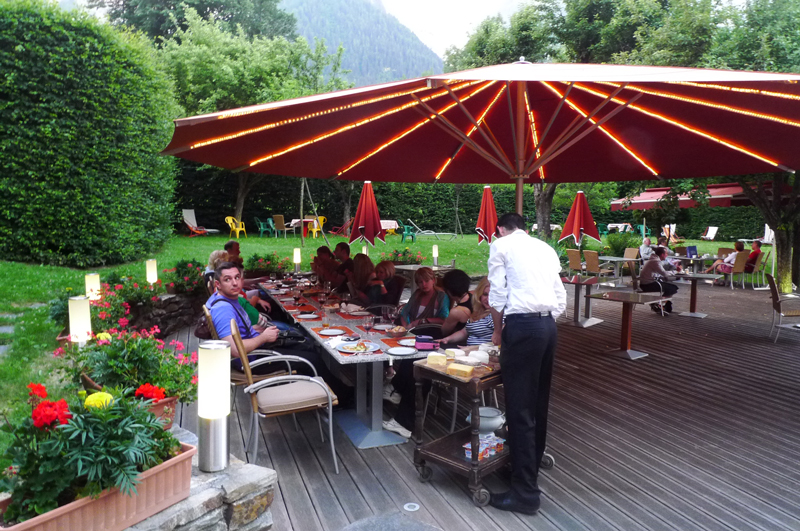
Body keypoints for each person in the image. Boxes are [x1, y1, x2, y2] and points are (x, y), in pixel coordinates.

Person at [487, 212, 566, 515]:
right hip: (548, 327)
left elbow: (497, 295)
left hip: (522, 327)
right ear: (524, 228)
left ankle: (525, 494)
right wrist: (543, 323)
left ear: (501, 229)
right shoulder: (544, 248)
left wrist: (498, 331)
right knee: (537, 404)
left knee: (519, 409)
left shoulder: (501, 245)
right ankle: (528, 469)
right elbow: (559, 296)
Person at [207, 262, 351, 401]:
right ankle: (343, 398)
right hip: (253, 361)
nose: (234, 283)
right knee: (312, 360)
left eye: (237, 277)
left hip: (256, 352)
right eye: (227, 279)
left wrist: (253, 330)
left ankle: (325, 392)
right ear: (218, 284)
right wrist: (263, 337)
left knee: (306, 346)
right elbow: (234, 350)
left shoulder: (227, 299)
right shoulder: (223, 309)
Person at [439, 277, 494, 346]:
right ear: (479, 295)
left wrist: (469, 349)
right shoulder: (478, 312)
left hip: (483, 351)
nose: (488, 299)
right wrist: (447, 339)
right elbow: (464, 332)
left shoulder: (496, 316)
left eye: (492, 295)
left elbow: (498, 343)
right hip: (468, 350)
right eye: (485, 294)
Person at [639, 247, 679, 313]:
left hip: (647, 283)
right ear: (662, 254)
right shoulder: (655, 261)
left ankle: (660, 304)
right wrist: (676, 272)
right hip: (647, 285)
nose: (667, 255)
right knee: (672, 288)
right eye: (666, 253)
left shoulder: (654, 260)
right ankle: (659, 304)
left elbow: (659, 274)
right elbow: (664, 273)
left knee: (672, 288)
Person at [440, 269, 473, 336]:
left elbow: (444, 332)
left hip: (463, 341)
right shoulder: (474, 296)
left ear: (449, 291)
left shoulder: (456, 312)